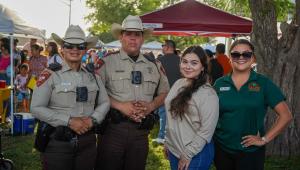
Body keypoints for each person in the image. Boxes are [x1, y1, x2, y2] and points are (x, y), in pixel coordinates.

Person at [30, 25, 110, 170]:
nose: (75, 49)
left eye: (80, 46)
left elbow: (104, 102)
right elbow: (35, 107)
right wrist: (69, 121)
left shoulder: (93, 76)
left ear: (85, 50)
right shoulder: (50, 74)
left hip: (88, 142)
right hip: (58, 143)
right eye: (69, 45)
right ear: (62, 49)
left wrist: (92, 120)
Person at [95, 15, 170, 170]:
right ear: (121, 37)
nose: (133, 39)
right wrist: (120, 106)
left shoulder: (154, 64)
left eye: (137, 35)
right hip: (112, 131)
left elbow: (165, 92)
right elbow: (94, 92)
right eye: (128, 34)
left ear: (143, 39)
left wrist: (151, 106)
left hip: (140, 134)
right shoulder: (106, 62)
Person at [213, 39, 293, 170]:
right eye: (235, 54)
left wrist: (264, 139)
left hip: (251, 152)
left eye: (246, 54)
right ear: (230, 57)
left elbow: (286, 116)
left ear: (253, 58)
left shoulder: (263, 83)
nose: (241, 58)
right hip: (222, 149)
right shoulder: (219, 83)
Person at [164, 46, 219, 170]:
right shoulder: (179, 83)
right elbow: (171, 116)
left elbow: (206, 131)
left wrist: (188, 154)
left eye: (194, 63)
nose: (188, 66)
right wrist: (168, 142)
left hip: (195, 153)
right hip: (174, 150)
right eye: (184, 61)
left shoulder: (207, 93)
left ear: (203, 67)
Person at [153, 40, 181, 144]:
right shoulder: (181, 60)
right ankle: (174, 137)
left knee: (163, 115)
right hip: (179, 92)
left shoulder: (159, 61)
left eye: (163, 46)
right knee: (177, 115)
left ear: (169, 47)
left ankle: (162, 136)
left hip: (164, 92)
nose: (162, 48)